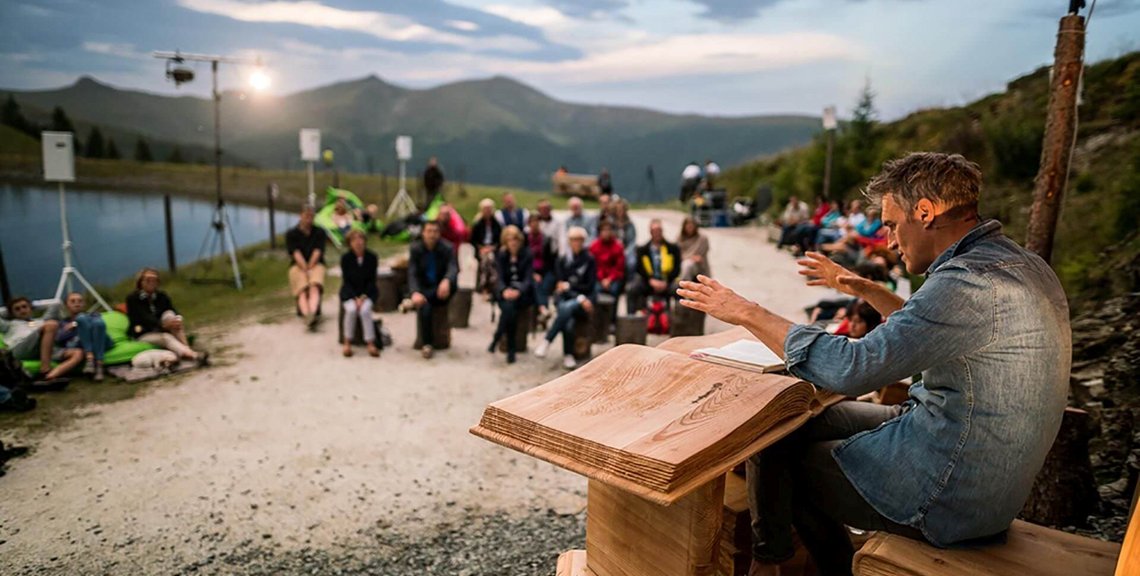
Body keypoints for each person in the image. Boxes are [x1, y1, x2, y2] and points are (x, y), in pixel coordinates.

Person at [677, 152, 1070, 576]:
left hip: (950, 493)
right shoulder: (1017, 265)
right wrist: (862, 286)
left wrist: (747, 311)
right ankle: (775, 559)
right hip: (978, 469)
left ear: (925, 212)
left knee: (786, 456)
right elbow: (925, 329)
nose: (889, 242)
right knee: (786, 427)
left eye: (891, 225)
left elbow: (854, 369)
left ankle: (783, 564)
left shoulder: (966, 285)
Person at [534, 227, 597, 370]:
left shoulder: (589, 260)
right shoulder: (562, 260)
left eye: (579, 239)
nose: (577, 243)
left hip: (583, 303)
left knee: (566, 309)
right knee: (567, 320)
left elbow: (589, 285)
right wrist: (577, 295)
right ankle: (568, 355)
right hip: (568, 300)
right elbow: (561, 285)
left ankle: (547, 340)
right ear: (569, 241)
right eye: (574, 239)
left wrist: (575, 292)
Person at [126, 268, 208, 365]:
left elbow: (172, 309)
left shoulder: (161, 295)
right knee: (166, 337)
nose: (151, 283)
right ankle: (194, 355)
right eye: (148, 280)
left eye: (154, 280)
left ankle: (187, 350)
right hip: (144, 332)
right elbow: (145, 317)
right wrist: (163, 325)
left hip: (162, 328)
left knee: (170, 315)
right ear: (140, 282)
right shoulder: (133, 299)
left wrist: (177, 319)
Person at [1, 296, 83, 382]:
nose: (22, 310)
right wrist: (7, 311)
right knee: (51, 324)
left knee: (78, 353)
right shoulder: (9, 325)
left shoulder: (40, 321)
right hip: (21, 349)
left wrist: (33, 305)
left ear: (30, 308)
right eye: (17, 309)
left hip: (43, 350)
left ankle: (49, 377)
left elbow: (56, 303)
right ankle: (45, 369)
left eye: (24, 307)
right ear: (12, 313)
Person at [409, 220, 458, 359]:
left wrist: (447, 280)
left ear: (439, 233)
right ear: (423, 233)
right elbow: (412, 273)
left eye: (435, 231)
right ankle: (427, 344)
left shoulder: (447, 248)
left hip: (443, 288)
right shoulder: (416, 249)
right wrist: (414, 291)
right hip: (425, 288)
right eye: (429, 231)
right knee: (425, 307)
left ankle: (412, 303)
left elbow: (453, 267)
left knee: (426, 300)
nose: (432, 235)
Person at [490, 225, 534, 364]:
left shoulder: (527, 254)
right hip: (505, 293)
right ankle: (511, 348)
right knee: (510, 310)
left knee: (510, 310)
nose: (513, 243)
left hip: (522, 294)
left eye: (515, 239)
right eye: (509, 239)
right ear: (505, 241)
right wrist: (504, 290)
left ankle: (498, 336)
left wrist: (518, 291)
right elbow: (499, 277)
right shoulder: (501, 255)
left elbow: (528, 278)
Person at [53, 292, 114, 381]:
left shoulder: (94, 315)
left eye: (80, 301)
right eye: (73, 301)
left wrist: (75, 324)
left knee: (95, 322)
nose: (77, 304)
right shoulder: (63, 322)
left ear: (84, 304)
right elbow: (59, 338)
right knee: (82, 320)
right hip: (78, 344)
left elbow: (99, 327)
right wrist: (77, 327)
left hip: (102, 342)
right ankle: (98, 366)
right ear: (67, 305)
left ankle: (90, 360)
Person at [339, 230, 381, 358]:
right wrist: (354, 297)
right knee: (351, 310)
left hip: (368, 292)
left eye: (360, 239)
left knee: (365, 310)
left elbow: (372, 280)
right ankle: (347, 342)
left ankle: (370, 342)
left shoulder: (372, 257)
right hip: (349, 293)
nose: (358, 242)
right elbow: (346, 281)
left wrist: (363, 297)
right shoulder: (345, 259)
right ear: (350, 243)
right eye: (354, 240)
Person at [627, 219, 682, 314]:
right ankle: (632, 318)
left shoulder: (673, 248)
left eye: (659, 230)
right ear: (650, 232)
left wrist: (666, 281)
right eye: (654, 231)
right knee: (632, 288)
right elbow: (640, 269)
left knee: (679, 289)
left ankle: (680, 319)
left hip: (667, 282)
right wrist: (651, 280)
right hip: (649, 282)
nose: (657, 233)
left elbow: (677, 268)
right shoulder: (642, 250)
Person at [286, 205, 328, 328]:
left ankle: (313, 312)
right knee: (302, 289)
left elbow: (318, 251)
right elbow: (295, 253)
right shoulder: (291, 234)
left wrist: (310, 268)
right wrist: (304, 269)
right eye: (306, 216)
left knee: (314, 286)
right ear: (301, 216)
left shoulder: (320, 232)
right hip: (298, 265)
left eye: (311, 216)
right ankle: (307, 315)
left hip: (316, 264)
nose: (309, 219)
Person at [527, 213, 558, 324]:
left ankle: (542, 311)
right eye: (532, 223)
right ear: (529, 224)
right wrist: (533, 273)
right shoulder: (525, 239)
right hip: (530, 271)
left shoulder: (546, 239)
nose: (535, 225)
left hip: (545, 270)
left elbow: (551, 260)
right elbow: (525, 261)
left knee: (544, 285)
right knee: (536, 284)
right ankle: (543, 309)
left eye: (537, 222)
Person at [589, 220, 626, 310]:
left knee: (614, 290)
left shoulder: (618, 246)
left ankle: (612, 320)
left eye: (609, 230)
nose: (606, 233)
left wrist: (609, 279)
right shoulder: (594, 246)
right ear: (600, 232)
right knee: (595, 291)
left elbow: (619, 267)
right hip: (598, 278)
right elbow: (593, 266)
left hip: (614, 278)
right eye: (604, 230)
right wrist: (602, 279)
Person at [471, 198, 503, 297]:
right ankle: (485, 285)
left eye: (489, 209)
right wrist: (481, 248)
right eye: (485, 209)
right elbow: (473, 240)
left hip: (493, 248)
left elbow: (499, 239)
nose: (488, 211)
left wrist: (492, 247)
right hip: (481, 248)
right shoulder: (477, 223)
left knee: (490, 259)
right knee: (486, 259)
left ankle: (489, 284)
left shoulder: (496, 223)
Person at [677, 216, 711, 281]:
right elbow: (677, 254)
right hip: (682, 264)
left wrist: (693, 258)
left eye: (691, 225)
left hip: (699, 266)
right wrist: (690, 257)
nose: (690, 227)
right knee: (686, 264)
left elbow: (700, 257)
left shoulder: (702, 239)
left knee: (688, 265)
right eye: (687, 225)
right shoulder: (679, 239)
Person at [611, 200, 638, 278]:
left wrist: (625, 253)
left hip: (626, 250)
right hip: (613, 250)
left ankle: (630, 283)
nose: (620, 212)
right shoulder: (611, 223)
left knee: (631, 263)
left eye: (622, 209)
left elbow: (632, 242)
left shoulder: (630, 224)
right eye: (618, 209)